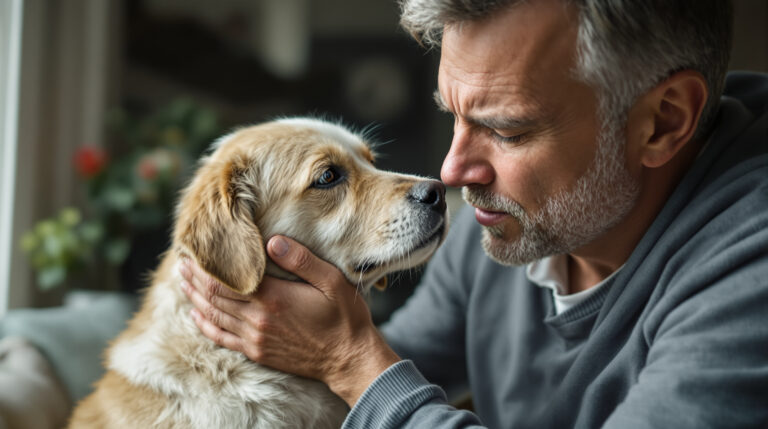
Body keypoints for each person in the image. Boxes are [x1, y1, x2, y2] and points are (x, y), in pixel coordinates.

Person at [179, 0, 768, 427]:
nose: (453, 171)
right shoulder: (514, 218)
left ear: (663, 121)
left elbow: (368, 371)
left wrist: (349, 359)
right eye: (455, 116)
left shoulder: (750, 270)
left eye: (506, 129)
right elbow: (400, 361)